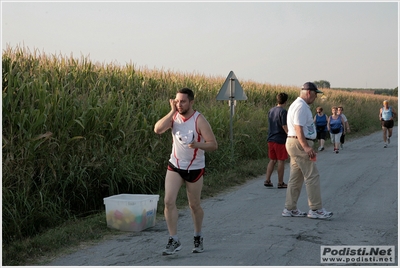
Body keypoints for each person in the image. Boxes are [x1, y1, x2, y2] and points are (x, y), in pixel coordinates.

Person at [154, 87, 218, 255]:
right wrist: (171, 111)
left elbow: (213, 144)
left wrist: (198, 144)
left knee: (194, 205)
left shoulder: (199, 120)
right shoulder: (173, 117)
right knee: (168, 201)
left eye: (183, 101)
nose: (179, 104)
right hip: (175, 165)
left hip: (195, 168)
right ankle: (173, 239)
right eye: (177, 101)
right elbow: (157, 129)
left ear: (191, 102)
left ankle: (198, 236)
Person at [282, 82, 333, 219]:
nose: (316, 97)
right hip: (299, 143)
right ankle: (315, 209)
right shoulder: (301, 107)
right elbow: (298, 127)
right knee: (312, 175)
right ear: (309, 92)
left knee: (296, 177)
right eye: (315, 94)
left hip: (293, 142)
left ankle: (290, 208)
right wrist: (306, 146)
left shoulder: (296, 105)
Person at [264, 93, 289, 189]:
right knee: (281, 161)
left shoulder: (271, 110)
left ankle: (267, 179)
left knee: (272, 160)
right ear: (285, 101)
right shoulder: (283, 112)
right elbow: (284, 126)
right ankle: (280, 182)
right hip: (280, 139)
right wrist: (289, 135)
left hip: (271, 138)